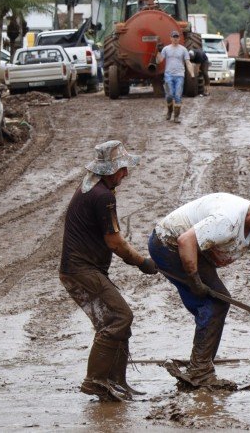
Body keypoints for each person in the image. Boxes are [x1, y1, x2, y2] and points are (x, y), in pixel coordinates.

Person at [148, 193, 250, 388]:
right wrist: (194, 279)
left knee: (218, 303)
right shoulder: (228, 221)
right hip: (167, 243)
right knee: (214, 304)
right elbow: (185, 241)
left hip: (196, 250)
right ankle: (200, 371)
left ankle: (201, 368)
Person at [59, 140, 159, 401]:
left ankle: (117, 383)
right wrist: (142, 262)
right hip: (81, 270)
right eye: (123, 168)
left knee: (116, 321)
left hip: (82, 268)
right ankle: (95, 380)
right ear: (110, 169)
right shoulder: (102, 196)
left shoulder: (91, 184)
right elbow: (115, 241)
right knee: (120, 316)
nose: (126, 174)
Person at [157, 30, 194, 123]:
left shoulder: (183, 50)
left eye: (177, 37)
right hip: (168, 75)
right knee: (169, 95)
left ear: (179, 38)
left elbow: (188, 62)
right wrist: (158, 51)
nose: (175, 38)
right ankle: (170, 111)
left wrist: (192, 74)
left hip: (180, 75)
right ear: (170, 38)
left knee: (177, 96)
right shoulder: (166, 49)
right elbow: (159, 61)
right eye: (174, 37)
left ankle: (176, 117)